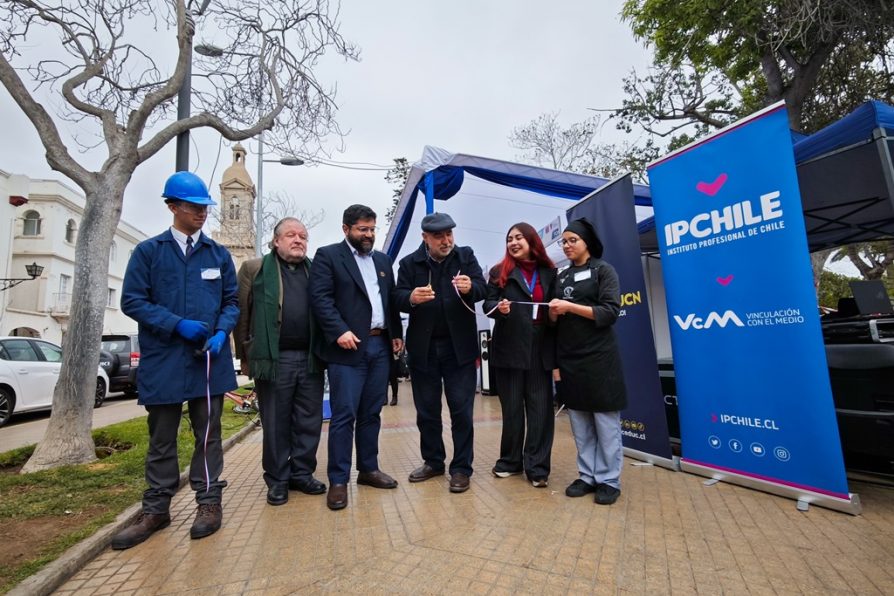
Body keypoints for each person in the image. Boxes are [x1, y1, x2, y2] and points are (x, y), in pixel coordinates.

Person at [113, 171, 238, 549]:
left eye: (205, 208)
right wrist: (175, 324)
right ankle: (156, 509)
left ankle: (208, 502)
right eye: (194, 207)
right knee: (162, 438)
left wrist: (220, 332)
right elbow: (133, 300)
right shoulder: (149, 252)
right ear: (173, 206)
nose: (202, 213)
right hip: (165, 359)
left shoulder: (218, 255)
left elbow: (231, 302)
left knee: (208, 436)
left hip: (208, 362)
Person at [308, 205, 403, 511]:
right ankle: (338, 480)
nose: (369, 234)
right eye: (363, 229)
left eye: (372, 229)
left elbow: (389, 301)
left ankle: (368, 469)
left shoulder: (383, 260)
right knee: (343, 415)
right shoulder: (328, 256)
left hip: (379, 346)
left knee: (372, 413)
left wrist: (396, 333)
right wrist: (339, 331)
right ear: (346, 228)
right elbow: (320, 299)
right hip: (346, 349)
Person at [234, 218, 326, 507]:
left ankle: (302, 473)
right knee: (275, 422)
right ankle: (277, 479)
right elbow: (242, 313)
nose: (298, 240)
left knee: (309, 421)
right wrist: (246, 356)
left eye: (302, 236)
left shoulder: (316, 271)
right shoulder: (255, 268)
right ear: (276, 241)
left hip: (310, 358)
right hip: (274, 360)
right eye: (291, 235)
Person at [394, 212, 487, 493]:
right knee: (427, 411)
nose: (446, 240)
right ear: (425, 238)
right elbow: (397, 296)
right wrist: (410, 298)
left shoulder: (465, 257)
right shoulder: (409, 263)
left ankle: (461, 468)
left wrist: (471, 288)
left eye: (449, 234)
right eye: (439, 236)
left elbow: (483, 288)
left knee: (461, 410)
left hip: (459, 349)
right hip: (424, 350)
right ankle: (434, 462)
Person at [549, 218, 628, 506]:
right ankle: (587, 475)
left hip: (599, 358)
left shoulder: (603, 271)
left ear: (587, 243)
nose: (567, 246)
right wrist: (555, 313)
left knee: (605, 423)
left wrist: (569, 306)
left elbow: (609, 312)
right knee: (580, 423)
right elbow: (553, 321)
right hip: (571, 358)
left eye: (573, 240)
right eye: (564, 241)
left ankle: (609, 479)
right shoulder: (561, 277)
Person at [483, 223, 557, 488]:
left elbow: (555, 306)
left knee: (540, 410)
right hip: (509, 346)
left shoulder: (549, 272)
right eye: (509, 239)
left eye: (519, 238)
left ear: (532, 241)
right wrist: (498, 308)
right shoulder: (498, 272)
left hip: (540, 346)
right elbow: (487, 304)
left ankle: (537, 467)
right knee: (512, 408)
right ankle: (510, 462)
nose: (513, 243)